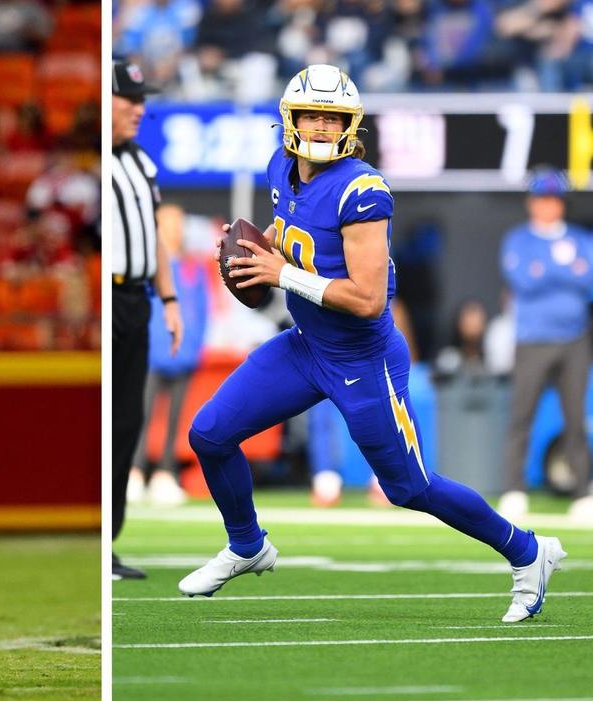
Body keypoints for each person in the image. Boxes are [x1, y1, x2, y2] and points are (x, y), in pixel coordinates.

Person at [178, 64, 566, 624]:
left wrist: (278, 274)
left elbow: (366, 300)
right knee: (210, 434)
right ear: (289, 119)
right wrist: (256, 248)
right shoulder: (282, 167)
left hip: (363, 359)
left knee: (410, 487)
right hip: (306, 345)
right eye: (310, 113)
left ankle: (529, 553)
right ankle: (247, 545)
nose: (318, 125)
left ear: (349, 124)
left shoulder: (363, 190)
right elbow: (290, 229)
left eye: (331, 116)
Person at [111, 59, 183, 580]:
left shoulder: (140, 161)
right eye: (128, 99)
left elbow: (154, 233)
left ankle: (108, 541)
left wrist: (171, 299)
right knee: (106, 423)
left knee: (127, 421)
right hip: (109, 295)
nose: (139, 109)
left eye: (142, 100)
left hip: (137, 300)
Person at [498, 169, 593, 521]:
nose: (547, 206)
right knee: (521, 416)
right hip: (532, 339)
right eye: (541, 199)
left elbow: (590, 280)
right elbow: (523, 280)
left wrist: (548, 269)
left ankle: (583, 491)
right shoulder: (517, 240)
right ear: (531, 202)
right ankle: (513, 489)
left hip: (575, 338)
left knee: (575, 417)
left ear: (561, 203)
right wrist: (567, 270)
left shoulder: (582, 239)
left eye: (553, 199)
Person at [129, 204, 208, 507]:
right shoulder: (145, 267)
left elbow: (201, 311)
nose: (174, 229)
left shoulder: (192, 267)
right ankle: (134, 472)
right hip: (150, 354)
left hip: (184, 356)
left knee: (177, 420)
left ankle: (165, 472)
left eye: (178, 223)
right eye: (167, 223)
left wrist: (194, 346)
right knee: (140, 415)